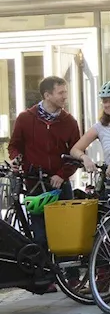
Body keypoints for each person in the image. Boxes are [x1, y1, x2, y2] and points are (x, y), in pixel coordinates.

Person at [7, 75, 80, 254]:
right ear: (47, 95)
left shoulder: (69, 122)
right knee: (39, 236)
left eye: (66, 92)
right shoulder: (25, 118)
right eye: (61, 92)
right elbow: (14, 146)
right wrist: (16, 159)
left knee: (65, 234)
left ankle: (69, 278)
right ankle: (44, 278)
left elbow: (76, 153)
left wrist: (62, 175)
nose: (65, 96)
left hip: (60, 186)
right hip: (34, 185)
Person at [70, 81, 110, 193]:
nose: (108, 104)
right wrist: (85, 158)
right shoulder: (100, 127)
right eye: (105, 101)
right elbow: (75, 149)